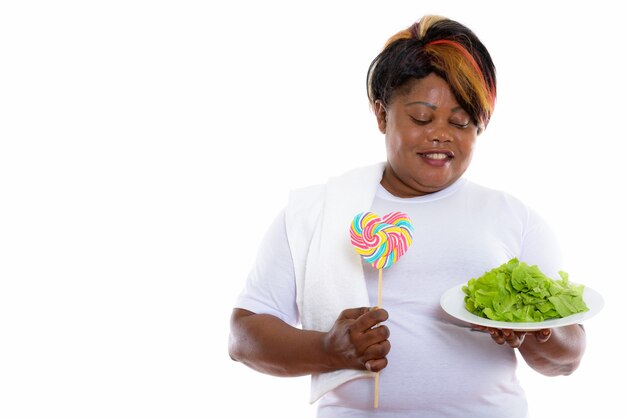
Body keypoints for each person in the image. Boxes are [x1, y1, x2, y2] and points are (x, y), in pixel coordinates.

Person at [228, 15, 586, 417]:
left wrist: (535, 333)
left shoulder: (513, 217)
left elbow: (568, 357)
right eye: (421, 117)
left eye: (460, 122)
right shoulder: (318, 210)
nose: (441, 134)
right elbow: (244, 335)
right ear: (382, 115)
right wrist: (327, 349)